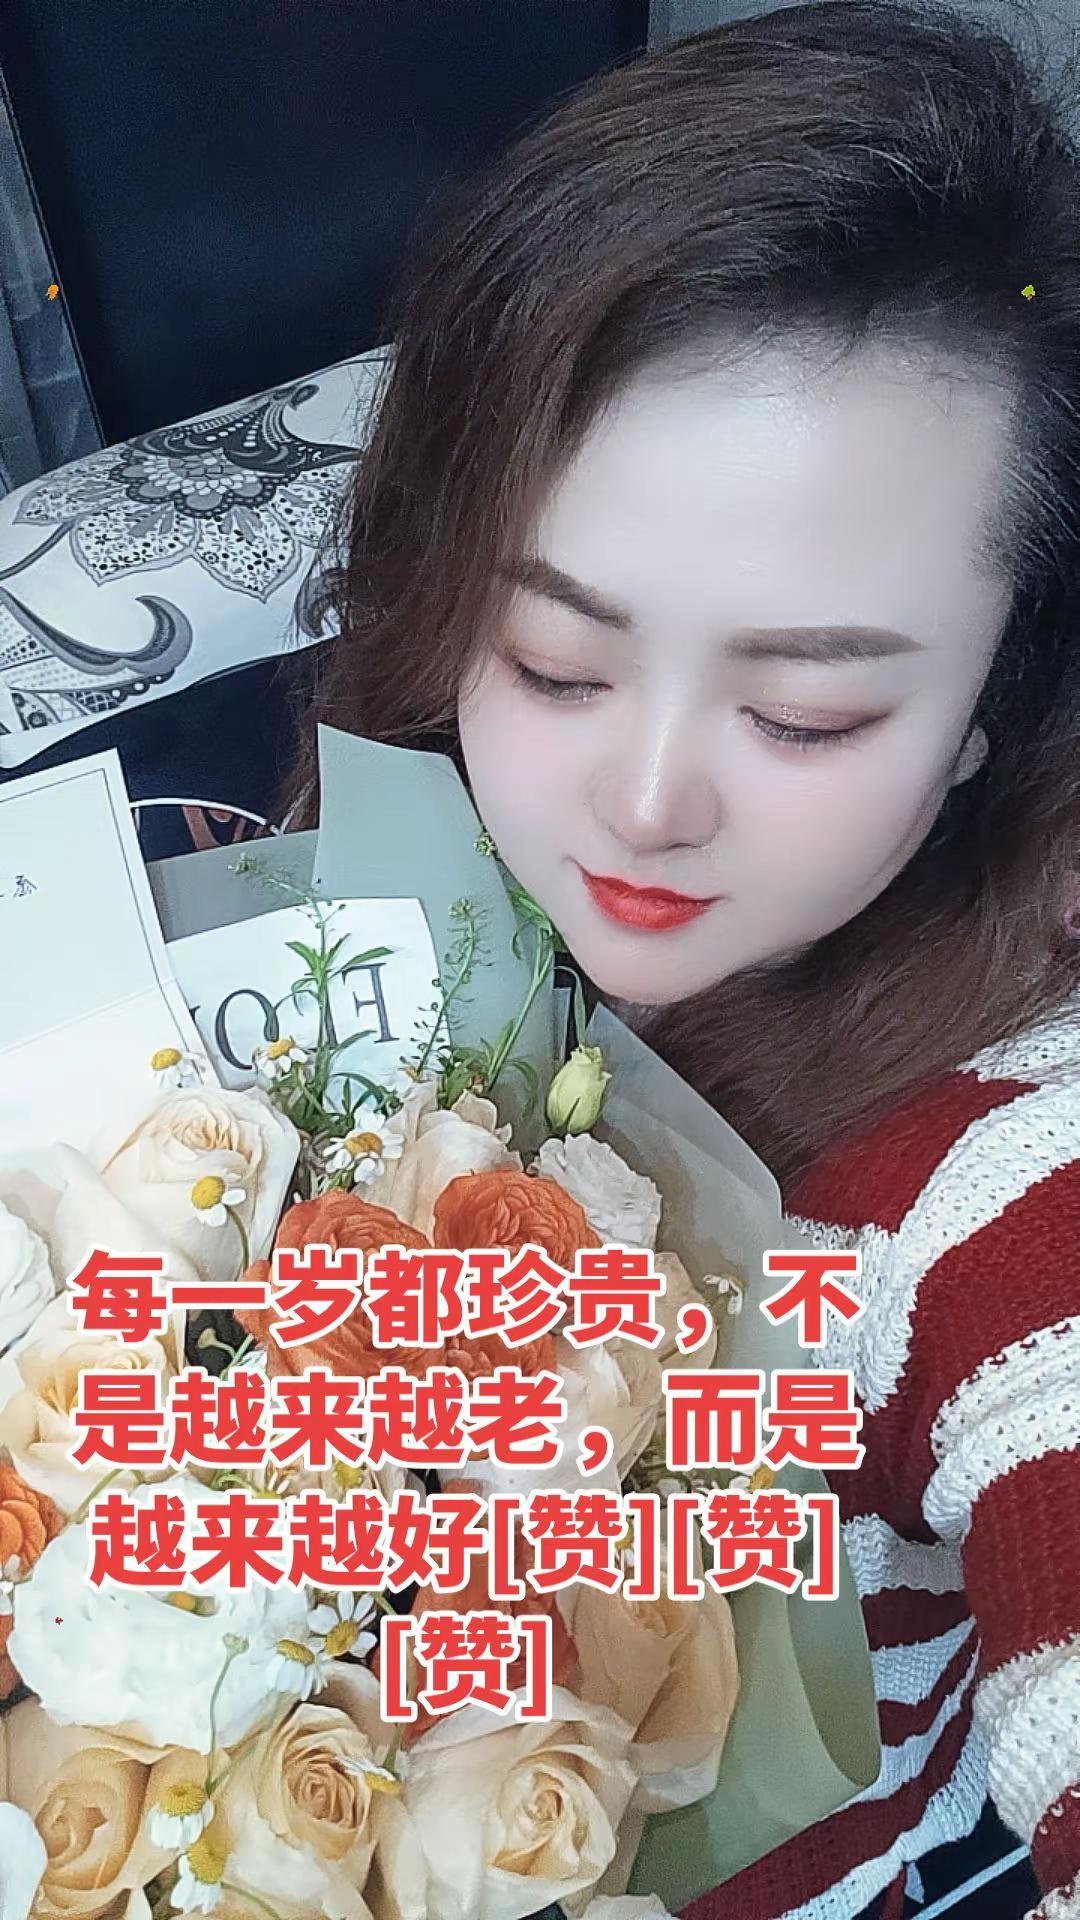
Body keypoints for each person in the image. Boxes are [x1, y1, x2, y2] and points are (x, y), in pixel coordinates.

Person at [285, 3, 1080, 1914]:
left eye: (807, 715)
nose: (640, 808)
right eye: (556, 660)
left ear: (1001, 698)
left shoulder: (998, 1190)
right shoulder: (402, 845)